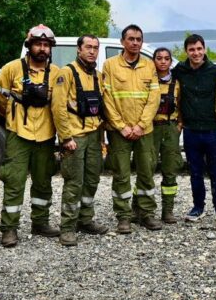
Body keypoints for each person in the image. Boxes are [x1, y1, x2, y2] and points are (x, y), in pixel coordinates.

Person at [0, 24, 61, 247]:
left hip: (46, 136)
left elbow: (59, 105)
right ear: (29, 45)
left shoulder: (57, 74)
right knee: (14, 181)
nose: (42, 48)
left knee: (43, 182)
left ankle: (40, 222)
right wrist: (13, 117)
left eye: (46, 45)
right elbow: (0, 100)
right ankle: (9, 229)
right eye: (38, 44)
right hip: (18, 134)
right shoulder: (11, 69)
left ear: (50, 48)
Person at [102, 24, 161, 232]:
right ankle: (123, 216)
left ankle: (146, 213)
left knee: (147, 172)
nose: (135, 43)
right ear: (122, 42)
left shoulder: (149, 66)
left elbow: (154, 99)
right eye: (131, 39)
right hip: (120, 132)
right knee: (121, 175)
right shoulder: (110, 65)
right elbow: (107, 99)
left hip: (144, 131)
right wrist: (121, 126)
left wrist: (141, 125)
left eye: (138, 39)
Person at [51, 34, 109, 246]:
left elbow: (101, 110)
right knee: (74, 182)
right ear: (79, 49)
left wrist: (103, 139)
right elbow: (58, 108)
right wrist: (66, 137)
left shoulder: (98, 76)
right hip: (75, 137)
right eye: (88, 47)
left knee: (92, 179)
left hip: (94, 136)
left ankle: (86, 219)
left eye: (95, 47)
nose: (92, 51)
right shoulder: (66, 73)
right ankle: (67, 227)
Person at [172, 34, 216, 224]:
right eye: (191, 50)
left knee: (215, 171)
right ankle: (198, 206)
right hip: (190, 130)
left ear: (204, 49)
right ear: (186, 52)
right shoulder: (180, 70)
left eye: (199, 49)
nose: (196, 53)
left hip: (212, 129)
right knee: (195, 172)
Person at [150, 47, 184, 224]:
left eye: (166, 58)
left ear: (171, 62)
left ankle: (168, 210)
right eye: (159, 58)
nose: (162, 61)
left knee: (170, 169)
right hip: (151, 128)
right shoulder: (148, 80)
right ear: (153, 60)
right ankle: (141, 208)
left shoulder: (177, 82)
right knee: (147, 168)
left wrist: (179, 124)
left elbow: (182, 104)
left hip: (170, 127)